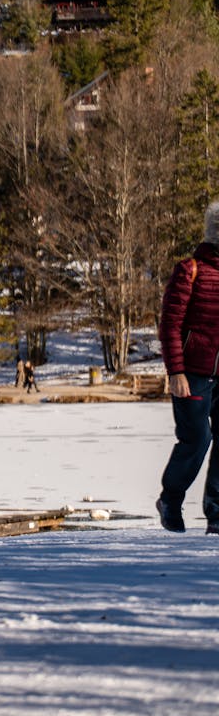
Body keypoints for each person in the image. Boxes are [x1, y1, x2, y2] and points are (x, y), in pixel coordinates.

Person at [157, 201, 219, 534]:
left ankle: (217, 514)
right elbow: (170, 325)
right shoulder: (190, 270)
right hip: (192, 374)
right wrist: (175, 372)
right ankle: (170, 499)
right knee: (197, 438)